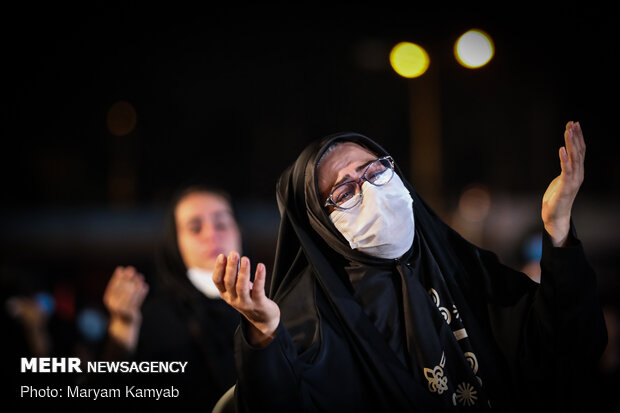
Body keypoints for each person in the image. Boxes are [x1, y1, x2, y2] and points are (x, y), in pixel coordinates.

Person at [213, 121, 607, 412]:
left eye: (373, 171)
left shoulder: (455, 263)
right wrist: (264, 335)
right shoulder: (312, 316)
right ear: (320, 224)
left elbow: (565, 345)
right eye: (344, 190)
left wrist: (557, 232)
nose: (369, 190)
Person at [100, 184, 242, 409]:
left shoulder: (274, 304)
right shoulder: (153, 318)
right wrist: (122, 329)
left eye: (222, 223)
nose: (211, 235)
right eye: (195, 228)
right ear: (175, 244)